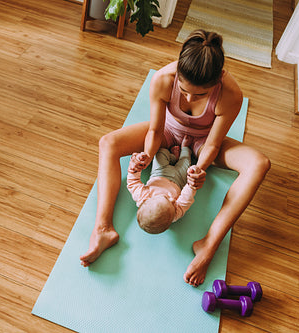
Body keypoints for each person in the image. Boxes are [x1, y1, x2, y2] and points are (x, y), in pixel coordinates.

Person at [79, 29, 271, 287]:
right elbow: (155, 130)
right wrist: (146, 156)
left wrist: (198, 169)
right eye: (184, 90)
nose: (190, 99)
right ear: (178, 71)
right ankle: (103, 229)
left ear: (219, 79)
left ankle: (208, 245)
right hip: (167, 133)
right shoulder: (162, 79)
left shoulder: (230, 94)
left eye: (200, 95)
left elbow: (214, 143)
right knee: (108, 142)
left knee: (259, 164)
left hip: (203, 143)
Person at [127, 135, 199, 234]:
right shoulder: (174, 215)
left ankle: (173, 157)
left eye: (166, 198)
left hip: (159, 172)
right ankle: (185, 147)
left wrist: (134, 168)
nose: (173, 199)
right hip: (179, 179)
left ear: (148, 199)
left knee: (160, 152)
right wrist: (191, 185)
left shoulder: (142, 197)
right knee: (186, 161)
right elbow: (186, 199)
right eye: (173, 204)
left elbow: (133, 183)